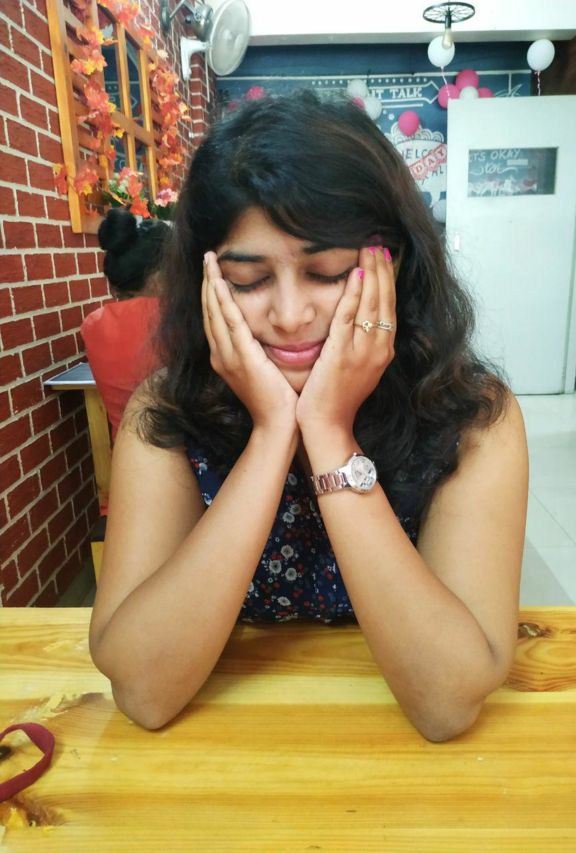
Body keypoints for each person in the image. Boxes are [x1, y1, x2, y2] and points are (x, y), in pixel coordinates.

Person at [89, 91, 528, 741]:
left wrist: (327, 430)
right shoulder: (167, 411)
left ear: (397, 265)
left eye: (327, 272)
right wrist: (273, 433)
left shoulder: (471, 416)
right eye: (248, 279)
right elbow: (143, 692)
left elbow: (447, 703)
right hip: (228, 746)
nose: (290, 315)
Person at [80, 208, 170, 440]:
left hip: (124, 449)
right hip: (181, 454)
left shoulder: (92, 325)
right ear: (158, 278)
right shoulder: (174, 316)